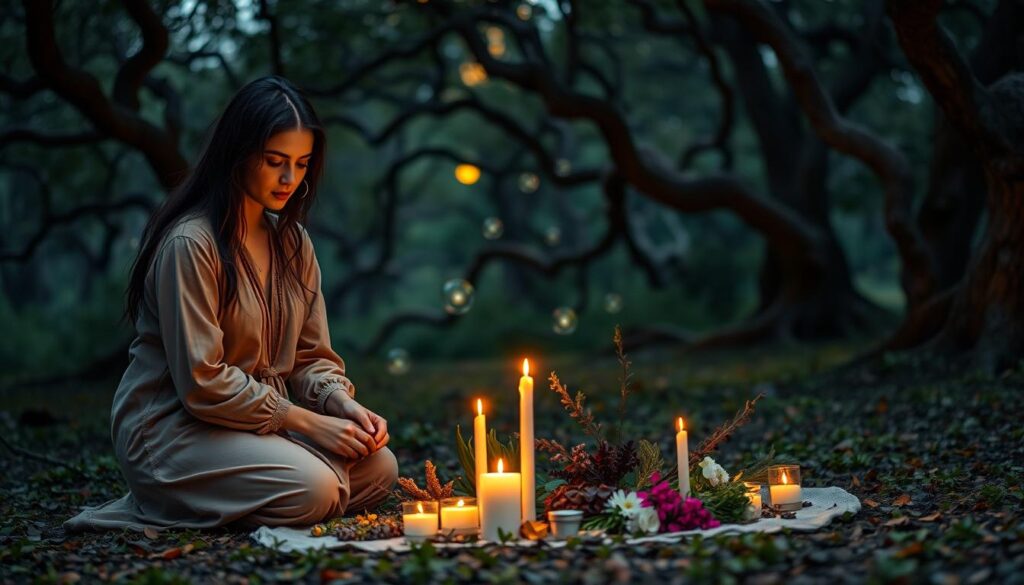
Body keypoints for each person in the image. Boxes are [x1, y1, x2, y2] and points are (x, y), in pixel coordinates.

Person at [63, 76, 398, 533]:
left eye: (301, 164)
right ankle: (177, 497)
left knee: (380, 467)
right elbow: (202, 382)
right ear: (238, 154)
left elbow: (310, 358)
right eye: (275, 161)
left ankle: (260, 490)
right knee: (318, 489)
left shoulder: (293, 243)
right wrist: (309, 425)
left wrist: (340, 405)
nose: (289, 179)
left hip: (254, 426)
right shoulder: (190, 244)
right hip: (172, 430)